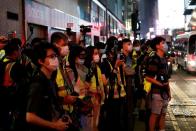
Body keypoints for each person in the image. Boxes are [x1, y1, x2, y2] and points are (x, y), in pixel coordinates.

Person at [26, 41, 69, 131]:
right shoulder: (37, 83)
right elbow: (30, 117)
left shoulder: (50, 79)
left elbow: (51, 102)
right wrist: (54, 125)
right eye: (51, 57)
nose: (55, 59)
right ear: (40, 61)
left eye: (56, 56)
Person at [145, 36, 171, 131]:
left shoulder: (164, 59)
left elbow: (166, 77)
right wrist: (159, 84)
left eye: (165, 42)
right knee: (155, 114)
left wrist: (168, 91)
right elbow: (148, 77)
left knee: (163, 114)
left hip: (164, 93)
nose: (165, 45)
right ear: (157, 46)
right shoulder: (154, 59)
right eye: (162, 43)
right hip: (156, 92)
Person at [85, 46, 105, 131]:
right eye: (95, 53)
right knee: (90, 125)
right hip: (90, 100)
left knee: (96, 123)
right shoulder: (85, 68)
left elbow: (100, 83)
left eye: (98, 53)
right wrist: (95, 91)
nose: (98, 56)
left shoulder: (97, 67)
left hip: (98, 99)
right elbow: (84, 86)